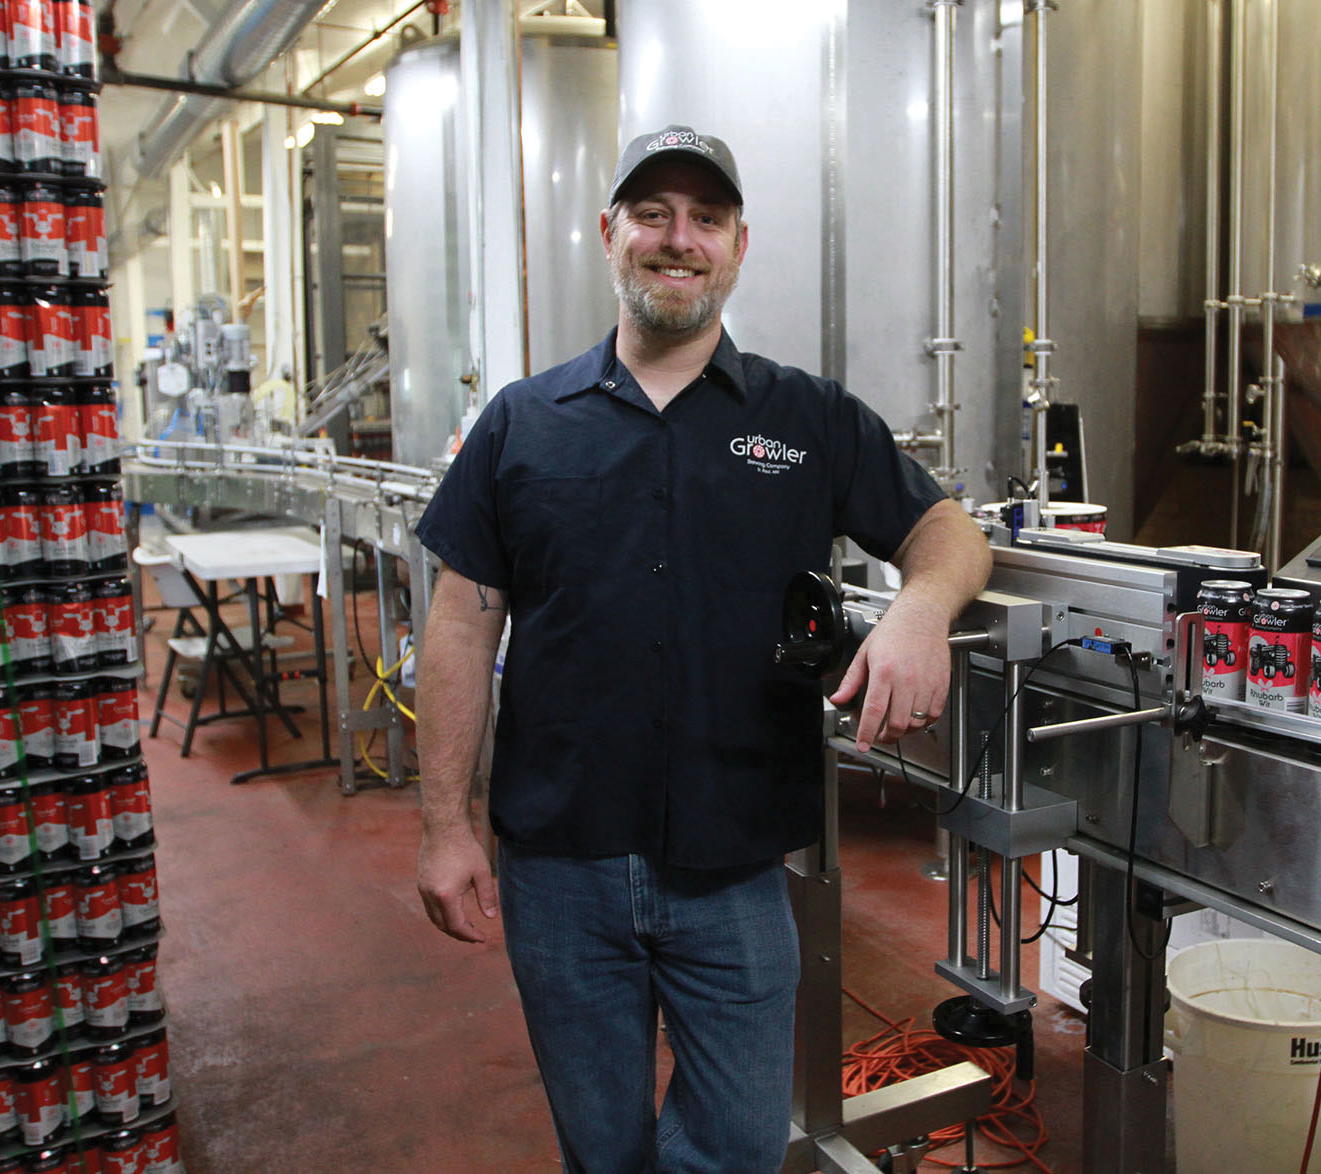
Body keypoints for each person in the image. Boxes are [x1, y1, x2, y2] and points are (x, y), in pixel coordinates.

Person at [412, 123, 993, 1172]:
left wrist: (920, 609)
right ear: (610, 233)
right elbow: (461, 620)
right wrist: (443, 824)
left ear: (737, 245)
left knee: (736, 1145)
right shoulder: (523, 422)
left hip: (734, 865)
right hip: (560, 864)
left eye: (706, 219)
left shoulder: (806, 417)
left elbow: (948, 531)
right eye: (653, 214)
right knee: (600, 1149)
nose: (678, 239)